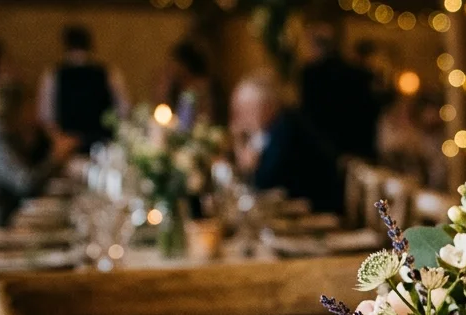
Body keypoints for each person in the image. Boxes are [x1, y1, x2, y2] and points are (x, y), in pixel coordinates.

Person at [230, 72, 341, 214]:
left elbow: (265, 183)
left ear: (267, 106)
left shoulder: (286, 128)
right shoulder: (272, 128)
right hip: (300, 209)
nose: (241, 118)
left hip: (318, 211)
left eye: (246, 110)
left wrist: (242, 149)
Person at [0, 81, 78, 227]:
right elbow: (27, 185)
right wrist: (56, 158)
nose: (35, 112)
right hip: (0, 226)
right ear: (13, 108)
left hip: (9, 219)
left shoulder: (4, 133)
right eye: (29, 105)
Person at [37, 25, 129, 152]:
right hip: (102, 145)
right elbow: (123, 110)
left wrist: (61, 141)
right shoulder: (109, 73)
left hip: (68, 147)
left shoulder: (53, 75)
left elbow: (46, 117)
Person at [297, 24, 379, 161]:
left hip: (320, 151)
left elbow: (308, 115)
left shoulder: (311, 74)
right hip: (355, 148)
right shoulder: (359, 73)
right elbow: (368, 115)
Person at [161, 41, 217, 126]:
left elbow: (205, 118)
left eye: (174, 63)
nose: (171, 67)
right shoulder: (176, 87)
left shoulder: (200, 88)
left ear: (184, 65)